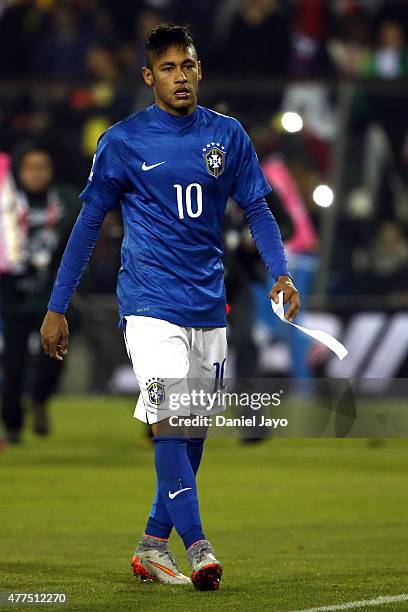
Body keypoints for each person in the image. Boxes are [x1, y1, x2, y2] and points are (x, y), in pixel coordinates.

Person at [40, 24, 300, 591]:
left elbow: (257, 208)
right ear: (148, 76)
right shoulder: (123, 141)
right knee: (171, 424)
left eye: (188, 66)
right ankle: (200, 546)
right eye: (168, 69)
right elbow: (88, 227)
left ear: (200, 70)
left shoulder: (227, 137)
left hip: (208, 304)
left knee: (192, 432)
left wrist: (280, 271)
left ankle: (152, 545)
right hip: (149, 304)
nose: (180, 77)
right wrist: (57, 305)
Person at [0, 143, 79, 443]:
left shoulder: (64, 201)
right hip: (11, 294)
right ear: (18, 171)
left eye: (43, 167)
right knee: (13, 363)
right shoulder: (6, 202)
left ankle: (41, 400)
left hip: (52, 296)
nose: (37, 174)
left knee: (55, 357)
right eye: (30, 168)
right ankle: (13, 424)